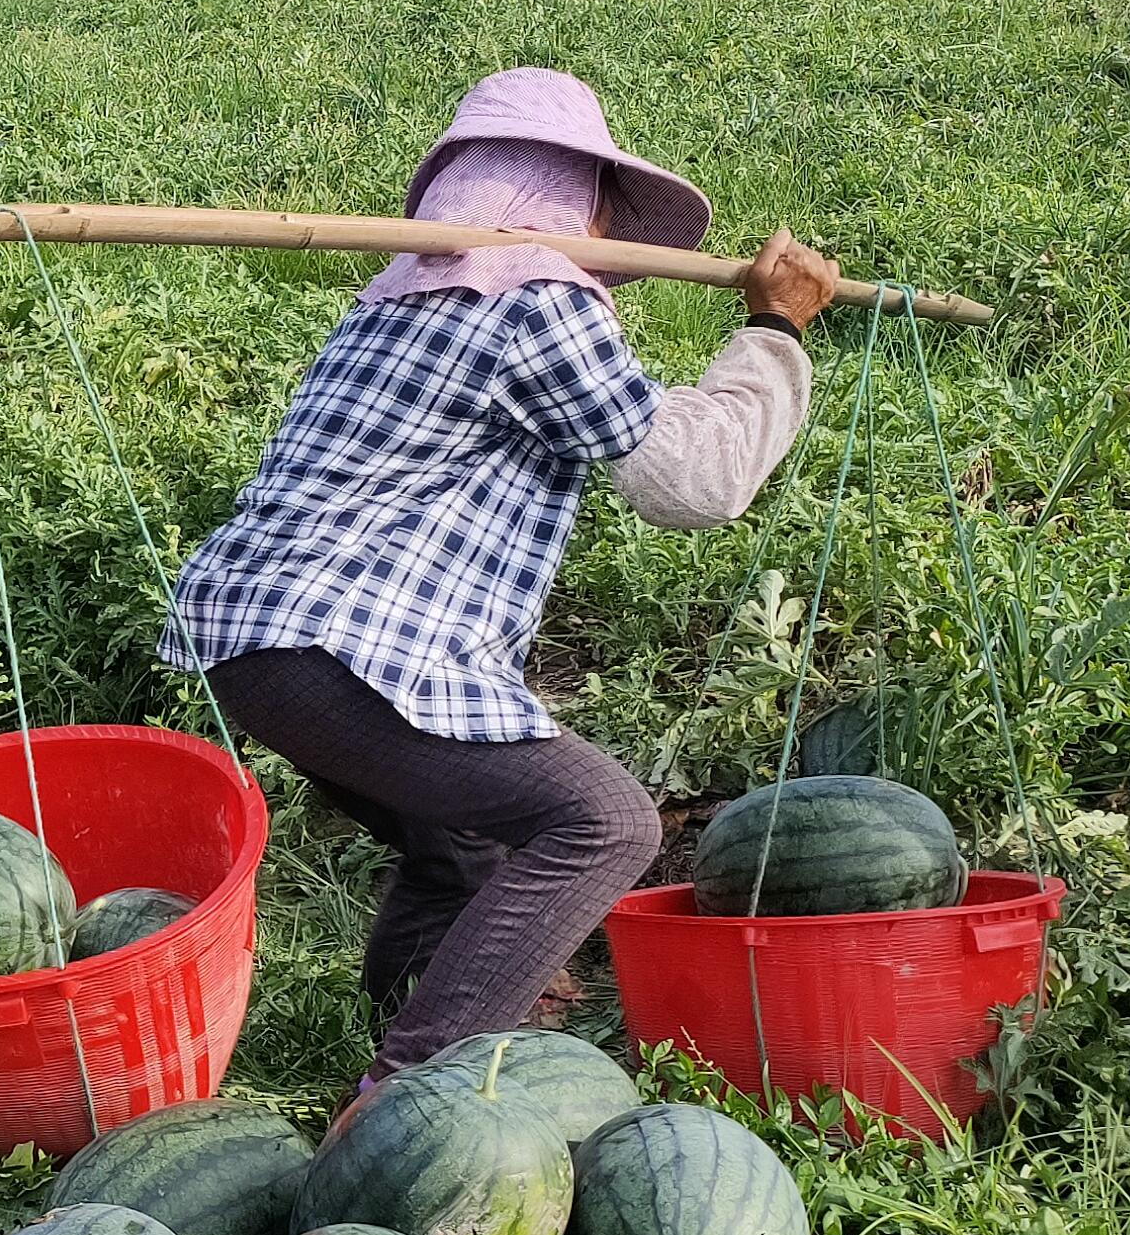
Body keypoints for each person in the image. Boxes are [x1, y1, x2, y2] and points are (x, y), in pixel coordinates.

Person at [160, 67, 837, 1088]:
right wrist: (776, 332)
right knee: (604, 822)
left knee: (459, 844)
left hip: (254, 643)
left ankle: (409, 1014)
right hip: (342, 649)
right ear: (586, 202)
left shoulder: (395, 299)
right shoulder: (536, 297)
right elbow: (691, 481)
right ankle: (410, 1091)